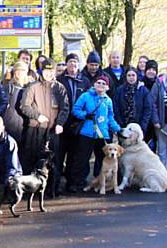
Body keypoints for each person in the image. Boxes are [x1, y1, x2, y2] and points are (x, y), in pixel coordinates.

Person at [70, 74, 120, 192]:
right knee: (82, 159)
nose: (101, 85)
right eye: (99, 83)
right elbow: (75, 110)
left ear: (107, 87)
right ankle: (76, 182)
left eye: (104, 84)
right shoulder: (85, 96)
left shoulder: (108, 100)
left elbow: (110, 117)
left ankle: (99, 183)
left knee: (102, 160)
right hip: (87, 133)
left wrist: (117, 129)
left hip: (102, 135)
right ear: (94, 84)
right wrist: (85, 115)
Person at [19, 58, 68, 175]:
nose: (49, 73)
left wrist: (60, 123)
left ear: (55, 72)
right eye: (46, 70)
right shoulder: (33, 86)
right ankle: (29, 188)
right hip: (35, 129)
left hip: (52, 131)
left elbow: (65, 108)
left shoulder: (59, 88)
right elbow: (24, 106)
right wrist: (37, 116)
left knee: (53, 161)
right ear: (42, 71)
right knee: (31, 159)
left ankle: (53, 189)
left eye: (51, 71)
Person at [56, 53, 91, 191]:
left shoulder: (85, 81)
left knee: (74, 154)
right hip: (62, 122)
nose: (73, 65)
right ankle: (57, 182)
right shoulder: (59, 80)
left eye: (75, 62)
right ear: (66, 64)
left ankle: (71, 182)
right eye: (70, 62)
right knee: (59, 154)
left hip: (78, 123)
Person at [113, 67, 152, 131]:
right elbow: (116, 107)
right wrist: (120, 122)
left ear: (137, 76)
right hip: (123, 125)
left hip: (139, 125)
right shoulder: (120, 90)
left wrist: (143, 125)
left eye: (133, 75)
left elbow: (148, 109)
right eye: (129, 75)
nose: (131, 77)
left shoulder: (143, 90)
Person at [3, 61, 30, 143]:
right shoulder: (9, 87)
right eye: (17, 70)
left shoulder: (29, 88)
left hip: (24, 126)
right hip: (9, 126)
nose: (19, 73)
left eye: (22, 71)